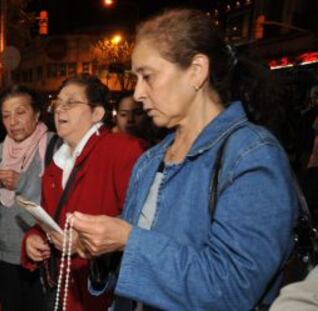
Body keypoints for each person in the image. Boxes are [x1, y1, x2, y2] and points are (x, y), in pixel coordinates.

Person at [71, 8, 298, 310]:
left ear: (196, 71)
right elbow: (131, 270)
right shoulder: (151, 159)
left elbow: (230, 289)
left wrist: (129, 239)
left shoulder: (252, 157)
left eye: (147, 76)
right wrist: (100, 249)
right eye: (135, 78)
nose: (138, 93)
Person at [22, 74, 146, 311]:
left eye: (71, 102)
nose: (60, 110)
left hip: (105, 293)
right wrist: (33, 238)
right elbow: (48, 220)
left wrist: (84, 243)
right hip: (66, 289)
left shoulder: (124, 151)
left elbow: (143, 225)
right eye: (58, 103)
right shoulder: (55, 164)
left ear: (97, 113)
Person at [0, 85, 55, 311]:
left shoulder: (54, 149)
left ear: (37, 114)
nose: (13, 121)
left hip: (42, 257)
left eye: (20, 112)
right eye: (6, 115)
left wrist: (22, 183)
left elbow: (58, 204)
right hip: (4, 256)